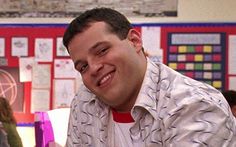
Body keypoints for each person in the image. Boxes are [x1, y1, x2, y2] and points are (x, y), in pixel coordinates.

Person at [63, 7, 236, 146]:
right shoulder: (84, 101)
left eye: (102, 50)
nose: (93, 68)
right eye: (83, 66)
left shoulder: (196, 105)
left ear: (135, 41)